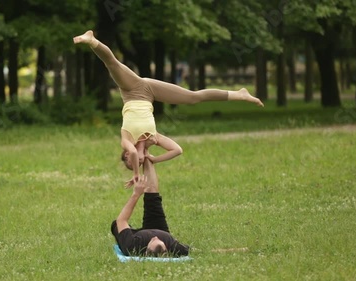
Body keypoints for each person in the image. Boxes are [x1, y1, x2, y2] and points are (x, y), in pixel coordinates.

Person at [73, 30, 264, 187]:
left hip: (132, 89)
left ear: (125, 155)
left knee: (112, 64)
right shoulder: (152, 139)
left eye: (134, 162)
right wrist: (155, 160)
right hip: (150, 94)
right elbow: (177, 150)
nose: (139, 160)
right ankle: (239, 94)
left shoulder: (127, 141)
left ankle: (92, 40)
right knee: (192, 97)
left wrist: (137, 175)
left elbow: (132, 152)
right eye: (138, 163)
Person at [110, 158, 190, 257]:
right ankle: (145, 155)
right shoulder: (174, 248)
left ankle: (143, 153)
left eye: (153, 240)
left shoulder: (132, 247)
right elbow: (189, 249)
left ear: (146, 250)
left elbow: (121, 220)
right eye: (160, 241)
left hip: (134, 235)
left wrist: (136, 194)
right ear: (166, 249)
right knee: (152, 195)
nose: (156, 237)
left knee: (116, 225)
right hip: (159, 228)